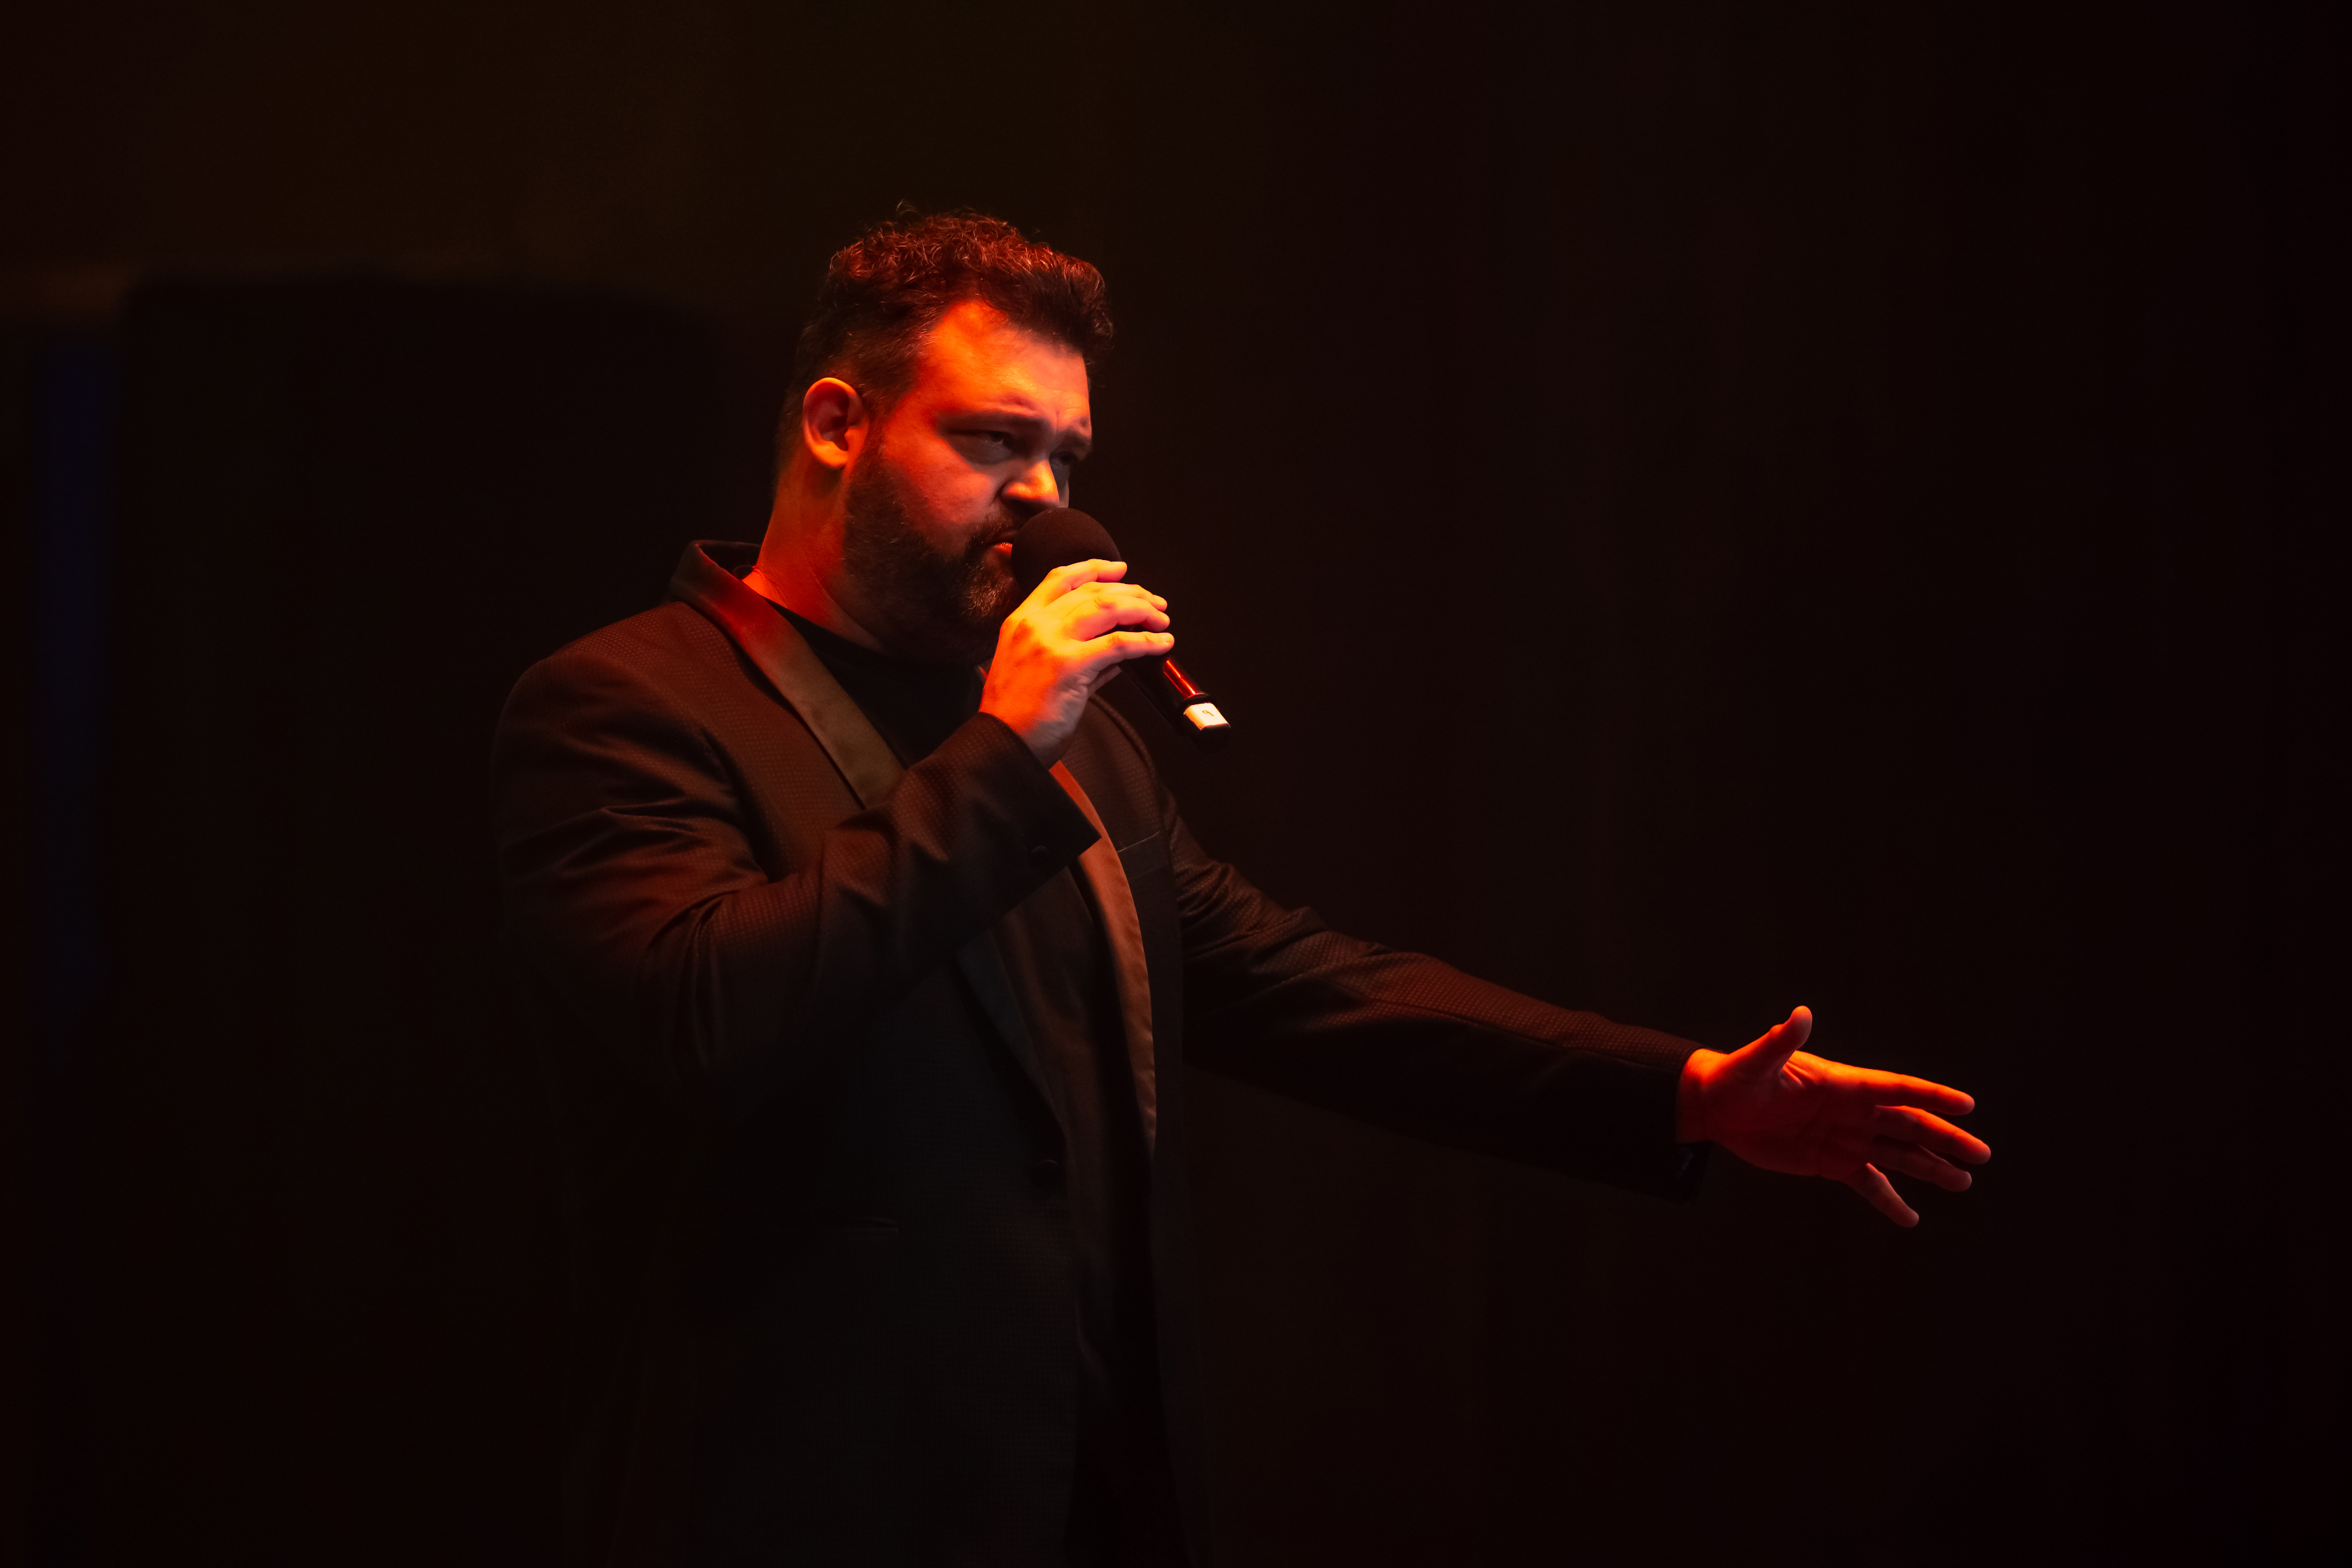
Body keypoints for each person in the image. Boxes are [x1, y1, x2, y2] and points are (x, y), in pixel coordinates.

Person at [491, 210, 1989, 1568]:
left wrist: (1678, 1090)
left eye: (1067, 456)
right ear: (837, 423)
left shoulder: (1069, 741)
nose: (1041, 498)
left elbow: (1291, 981)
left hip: (1089, 1499)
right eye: (995, 441)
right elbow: (708, 1014)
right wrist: (1004, 750)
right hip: (799, 1504)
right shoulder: (632, 703)